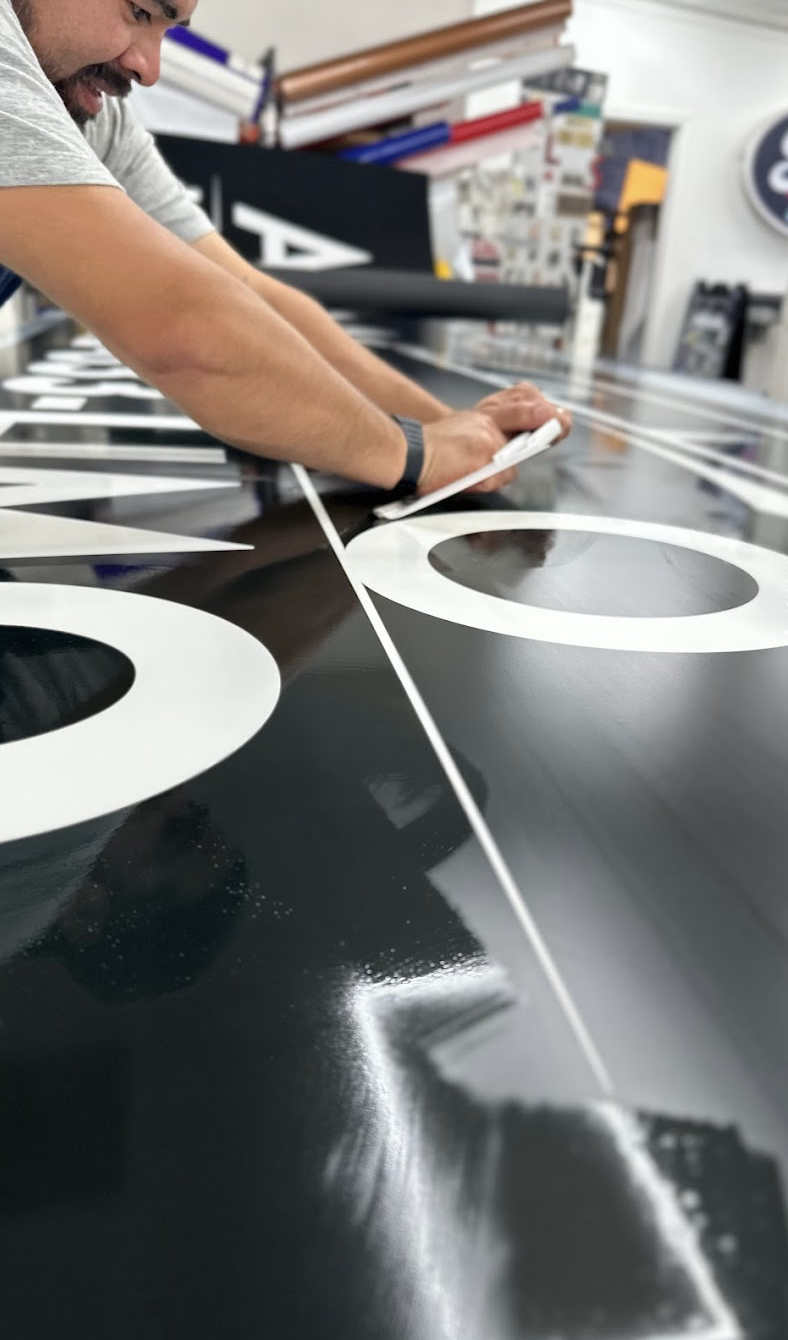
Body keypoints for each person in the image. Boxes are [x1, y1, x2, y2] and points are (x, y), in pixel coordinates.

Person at [0, 0, 570, 496]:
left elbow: (241, 291)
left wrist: (449, 425)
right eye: (141, 11)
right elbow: (181, 328)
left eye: (166, 30)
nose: (149, 69)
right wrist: (413, 455)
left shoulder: (93, 119)